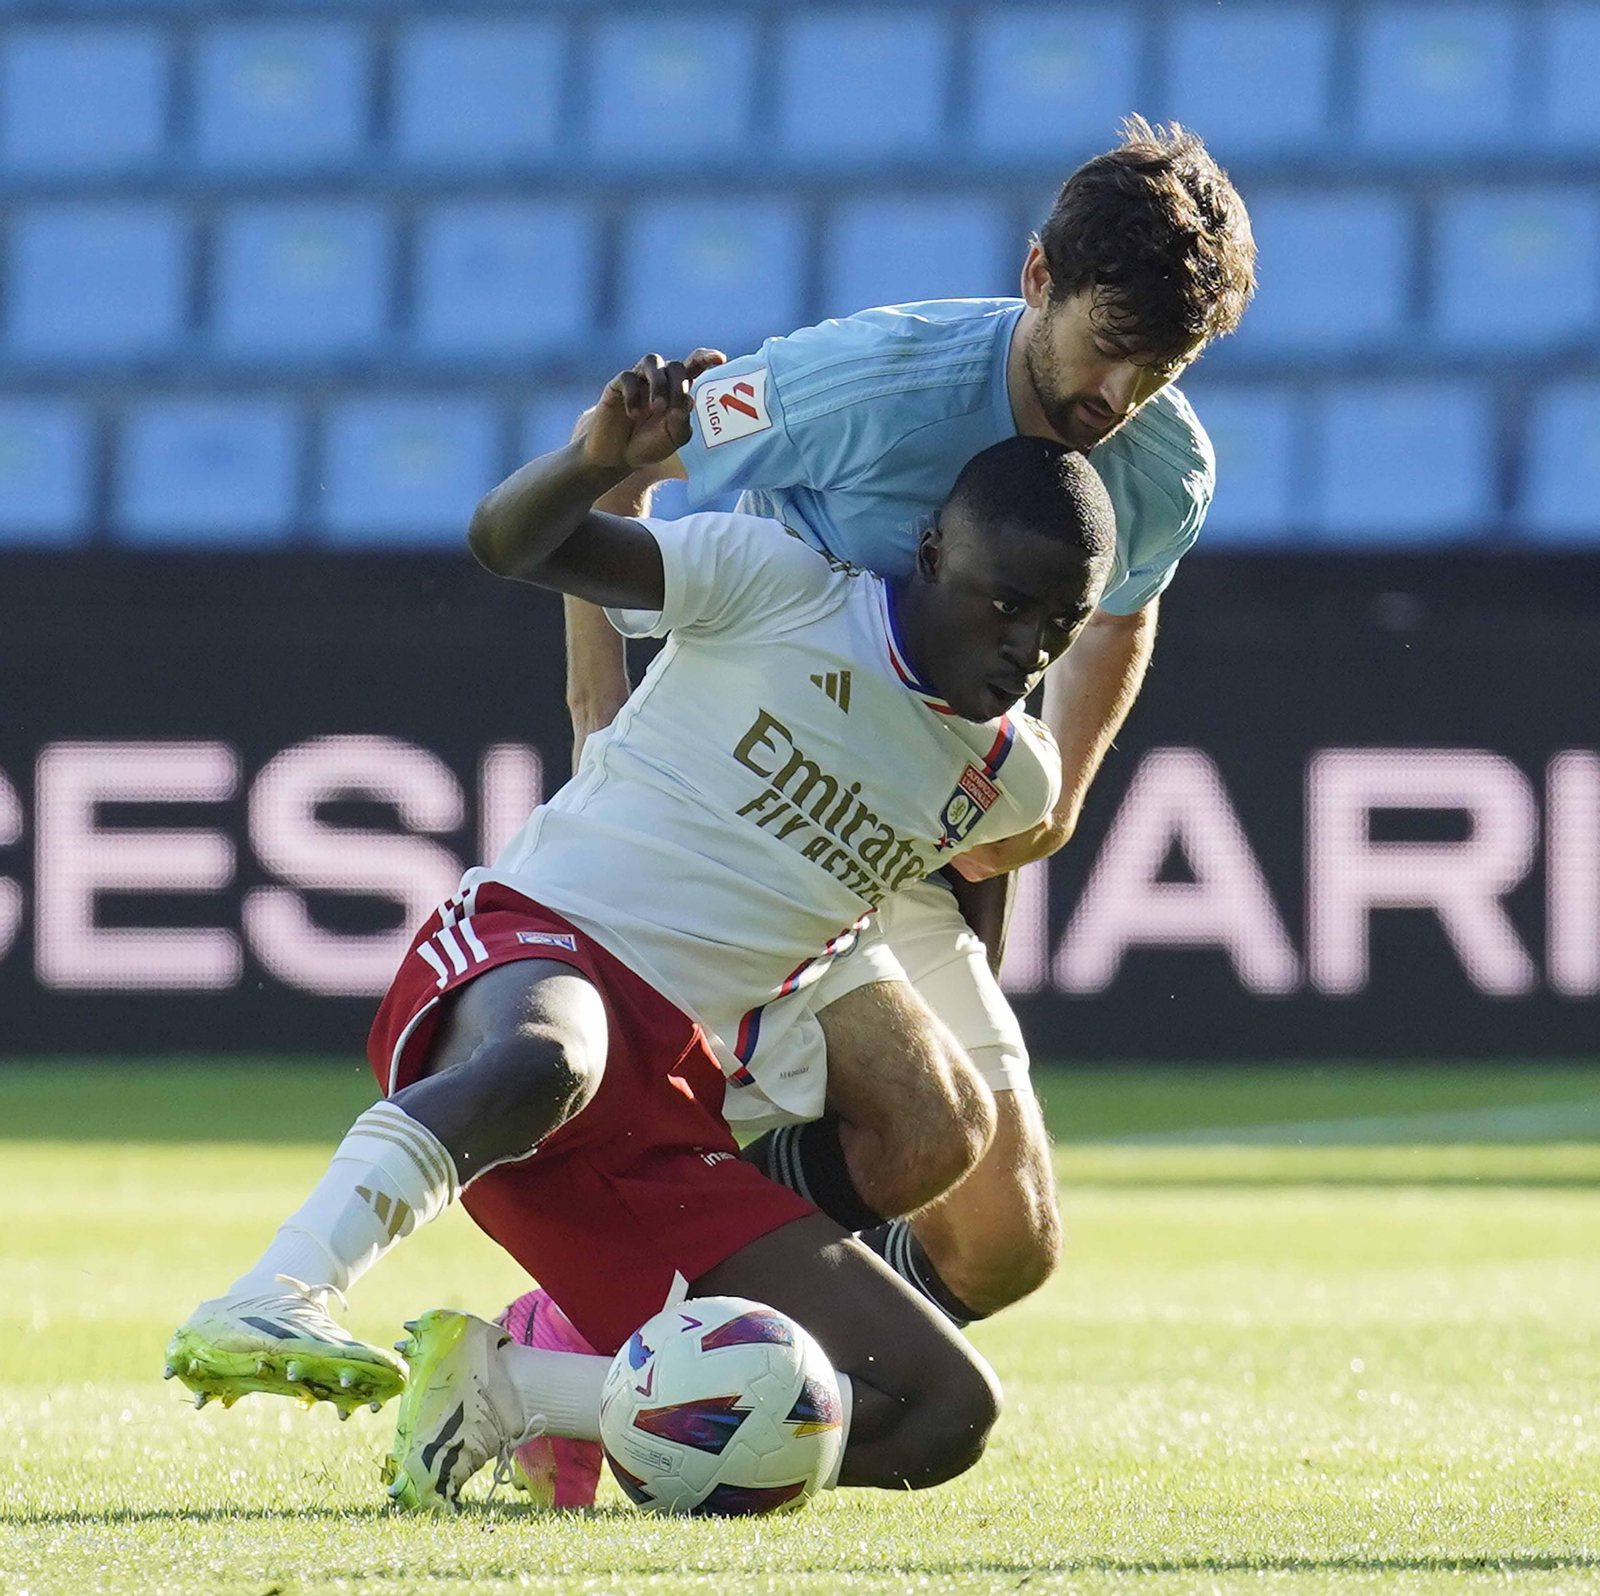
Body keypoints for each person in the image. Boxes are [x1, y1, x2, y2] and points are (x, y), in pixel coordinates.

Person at [165, 353, 1118, 1509]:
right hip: (535, 961)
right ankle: (275, 1292)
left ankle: (516, 1390)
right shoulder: (779, 585)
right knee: (555, 1055)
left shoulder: (1012, 775)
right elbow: (510, 546)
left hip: (661, 1115)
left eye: (1056, 627)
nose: (1025, 648)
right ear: (928, 556)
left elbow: (949, 875)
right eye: (1003, 602)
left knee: (941, 1415)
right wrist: (595, 467)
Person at [556, 118, 1256, 1341]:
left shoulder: (1163, 464)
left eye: (1162, 370)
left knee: (1000, 1245)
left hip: (897, 839)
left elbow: (1118, 619)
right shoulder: (869, 382)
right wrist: (594, 714)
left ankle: (584, 1355)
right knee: (817, 1149)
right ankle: (603, 1349)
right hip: (740, 811)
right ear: (1039, 276)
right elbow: (613, 471)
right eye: (1108, 350)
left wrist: (1062, 801)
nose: (1118, 400)